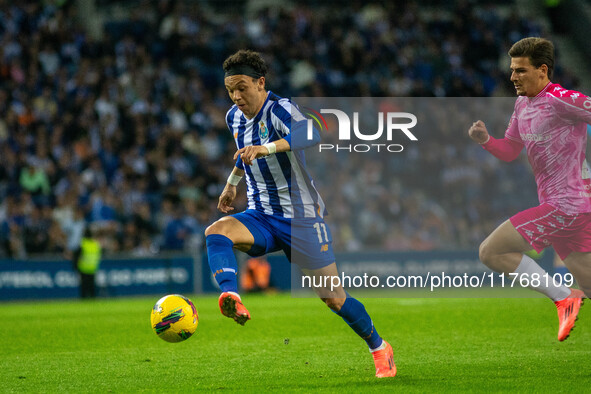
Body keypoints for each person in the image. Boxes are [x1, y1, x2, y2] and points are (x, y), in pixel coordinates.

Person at [205, 49, 396, 378]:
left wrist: (266, 148)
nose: (236, 96)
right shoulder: (233, 117)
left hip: (302, 218)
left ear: (260, 82)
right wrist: (231, 184)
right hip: (262, 215)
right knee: (216, 232)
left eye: (242, 88)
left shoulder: (279, 108)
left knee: (334, 298)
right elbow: (243, 152)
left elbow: (310, 133)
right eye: (230, 90)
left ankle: (379, 347)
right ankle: (231, 295)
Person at [468, 37, 591, 341]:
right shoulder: (523, 104)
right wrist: (485, 139)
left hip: (567, 205)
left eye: (520, 70)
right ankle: (570, 295)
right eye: (512, 70)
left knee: (491, 251)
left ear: (542, 70)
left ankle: (564, 297)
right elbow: (510, 149)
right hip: (567, 208)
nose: (512, 77)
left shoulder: (563, 99)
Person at [72, 227, 102, 298]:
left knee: (84, 287)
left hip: (83, 268)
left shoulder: (83, 244)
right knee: (92, 287)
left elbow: (76, 256)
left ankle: (84, 300)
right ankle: (93, 300)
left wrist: (75, 266)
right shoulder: (95, 244)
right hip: (93, 268)